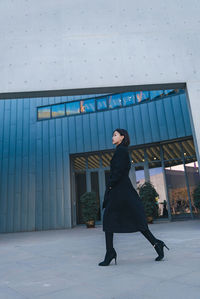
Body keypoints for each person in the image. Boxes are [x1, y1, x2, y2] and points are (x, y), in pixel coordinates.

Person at [99, 128, 169, 266]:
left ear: (122, 137)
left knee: (111, 219)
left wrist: (111, 186)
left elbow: (119, 172)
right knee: (124, 220)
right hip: (121, 190)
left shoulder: (122, 151)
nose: (112, 137)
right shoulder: (121, 151)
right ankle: (155, 244)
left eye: (115, 135)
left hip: (120, 191)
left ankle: (111, 252)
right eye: (112, 135)